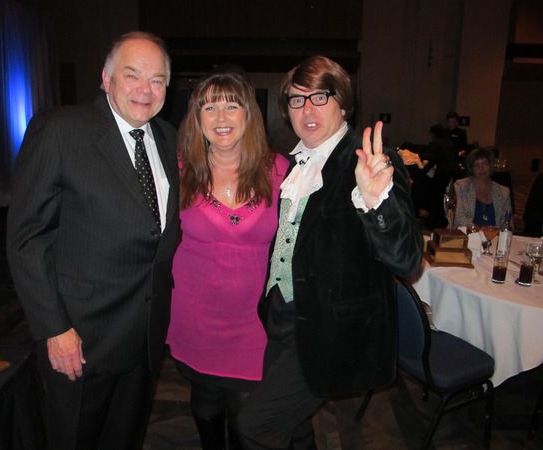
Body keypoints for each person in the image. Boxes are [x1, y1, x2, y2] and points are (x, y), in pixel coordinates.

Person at [236, 56, 423, 449]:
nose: (307, 110)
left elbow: (407, 258)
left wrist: (376, 201)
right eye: (297, 99)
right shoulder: (293, 163)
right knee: (294, 426)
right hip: (282, 316)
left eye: (320, 97)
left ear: (343, 103)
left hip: (331, 332)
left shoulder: (371, 163)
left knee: (254, 426)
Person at [6, 31, 179, 450]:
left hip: (142, 339)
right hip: (80, 341)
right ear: (105, 78)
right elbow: (26, 238)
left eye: (157, 80)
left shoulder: (168, 137)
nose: (145, 89)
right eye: (132, 75)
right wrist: (55, 328)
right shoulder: (61, 130)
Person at [166, 70, 288, 449]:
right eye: (209, 107)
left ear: (249, 114)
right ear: (196, 118)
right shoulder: (179, 169)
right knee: (205, 401)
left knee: (245, 415)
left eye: (232, 106)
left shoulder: (280, 171)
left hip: (254, 322)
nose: (221, 117)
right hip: (195, 316)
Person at [453, 147, 512, 228]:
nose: (481, 168)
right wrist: (480, 231)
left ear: (491, 166)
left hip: (494, 235)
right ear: (472, 169)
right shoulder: (460, 186)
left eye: (484, 164)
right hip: (468, 234)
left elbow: (508, 222)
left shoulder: (504, 191)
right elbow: (458, 218)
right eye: (476, 165)